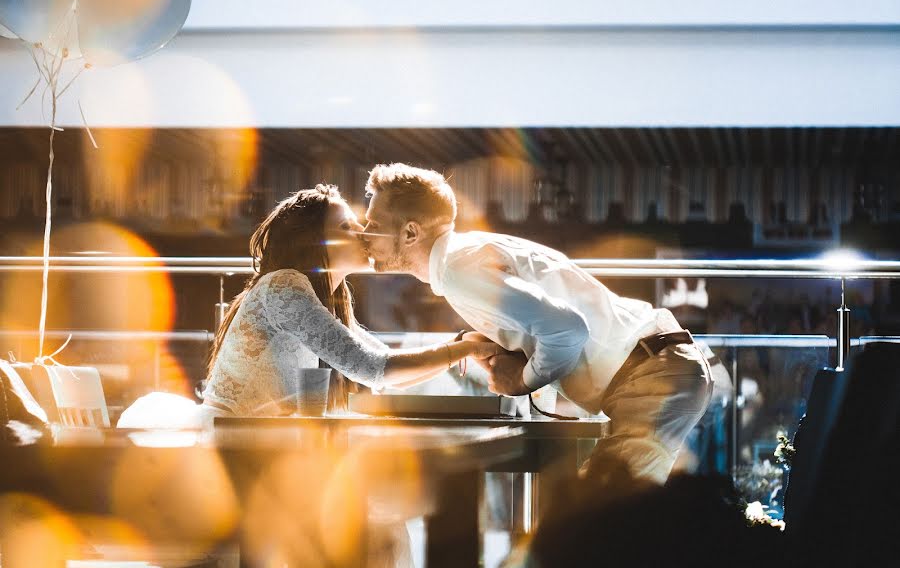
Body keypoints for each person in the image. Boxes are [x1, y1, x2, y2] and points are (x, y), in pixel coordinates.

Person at [362, 164, 713, 484]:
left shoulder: (457, 271)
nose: (364, 235)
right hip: (657, 368)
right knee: (608, 525)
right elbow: (554, 322)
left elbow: (568, 329)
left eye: (373, 225)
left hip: (651, 379)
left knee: (594, 521)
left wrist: (521, 380)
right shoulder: (466, 255)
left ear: (410, 232)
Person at [120, 185, 500, 427]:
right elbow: (374, 369)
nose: (364, 234)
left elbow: (381, 360)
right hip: (238, 446)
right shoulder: (285, 286)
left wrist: (461, 344)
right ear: (317, 243)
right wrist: (463, 349)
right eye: (347, 228)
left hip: (269, 443)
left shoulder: (328, 297)